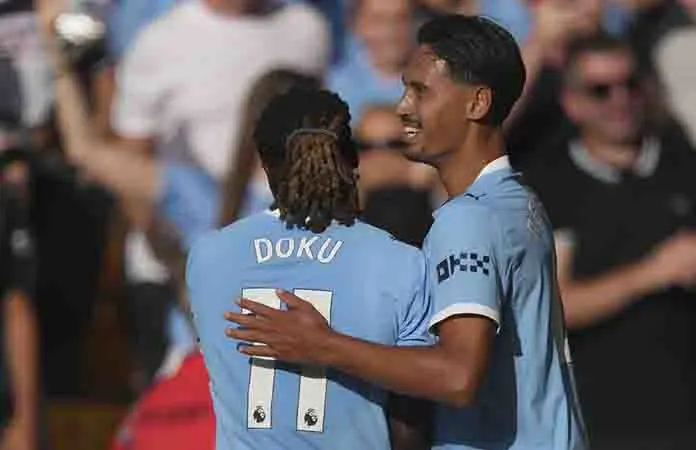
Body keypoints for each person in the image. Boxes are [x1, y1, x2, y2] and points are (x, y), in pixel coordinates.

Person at [225, 15, 588, 450]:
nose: (402, 107)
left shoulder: (468, 220)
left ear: (477, 103)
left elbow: (457, 377)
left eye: (420, 91)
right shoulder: (517, 200)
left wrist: (321, 345)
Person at [186, 88, 432, 450]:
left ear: (265, 163)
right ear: (351, 158)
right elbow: (410, 420)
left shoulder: (208, 257)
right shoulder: (402, 262)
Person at [523, 32, 696, 450]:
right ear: (572, 102)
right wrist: (653, 274)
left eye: (630, 84)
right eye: (600, 90)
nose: (621, 100)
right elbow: (553, 308)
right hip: (604, 420)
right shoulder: (548, 182)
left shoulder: (683, 162)